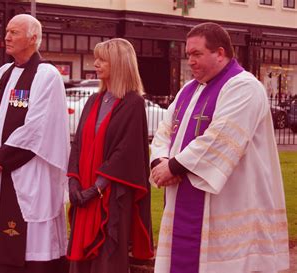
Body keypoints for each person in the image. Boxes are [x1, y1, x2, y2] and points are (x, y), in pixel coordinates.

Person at [150, 22, 289, 273]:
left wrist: (173, 166)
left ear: (220, 53)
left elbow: (221, 138)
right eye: (188, 55)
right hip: (184, 196)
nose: (190, 61)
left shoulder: (244, 87)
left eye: (197, 54)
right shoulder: (188, 90)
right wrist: (158, 161)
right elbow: (164, 130)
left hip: (230, 199)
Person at [0, 14, 70, 273]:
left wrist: (1, 159)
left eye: (14, 32)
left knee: (27, 236)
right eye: (7, 31)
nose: (6, 36)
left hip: (27, 171)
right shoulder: (2, 73)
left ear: (33, 38)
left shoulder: (46, 75)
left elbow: (38, 127)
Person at [67, 38, 154, 273]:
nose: (96, 63)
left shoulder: (133, 103)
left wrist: (96, 188)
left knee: (107, 258)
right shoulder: (93, 100)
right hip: (83, 191)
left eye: (102, 59)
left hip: (111, 195)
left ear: (119, 63)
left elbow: (126, 152)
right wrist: (74, 182)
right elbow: (78, 143)